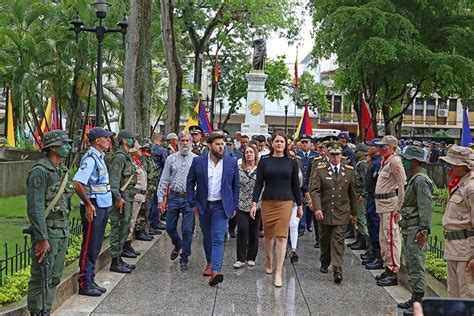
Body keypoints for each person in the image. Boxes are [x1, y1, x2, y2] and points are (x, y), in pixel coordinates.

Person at [26, 130, 73, 314]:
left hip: (61, 232)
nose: (68, 147)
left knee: (53, 277)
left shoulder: (61, 170)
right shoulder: (40, 171)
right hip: (48, 234)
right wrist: (42, 238)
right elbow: (35, 207)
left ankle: (46, 309)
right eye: (65, 144)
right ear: (53, 148)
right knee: (40, 278)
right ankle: (37, 312)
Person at [251, 130, 302, 288]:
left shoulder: (291, 161)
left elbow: (295, 185)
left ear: (286, 144)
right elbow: (259, 183)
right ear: (271, 143)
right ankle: (269, 260)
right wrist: (254, 203)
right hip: (267, 202)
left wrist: (300, 205)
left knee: (281, 237)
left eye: (282, 141)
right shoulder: (265, 160)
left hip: (285, 202)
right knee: (268, 236)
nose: (279, 144)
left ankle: (279, 272)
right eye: (277, 141)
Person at [187, 133, 240, 286]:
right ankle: (210, 262)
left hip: (221, 206)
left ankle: (216, 271)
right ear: (209, 146)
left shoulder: (231, 162)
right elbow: (190, 183)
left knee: (218, 237)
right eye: (217, 144)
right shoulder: (198, 162)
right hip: (203, 205)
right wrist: (192, 203)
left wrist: (233, 205)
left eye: (222, 144)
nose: (221, 147)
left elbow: (235, 186)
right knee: (207, 235)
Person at [73, 127, 115, 296]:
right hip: (94, 206)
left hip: (102, 205)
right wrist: (88, 204)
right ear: (97, 141)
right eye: (106, 138)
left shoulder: (99, 157)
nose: (109, 140)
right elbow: (77, 183)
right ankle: (84, 283)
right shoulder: (90, 159)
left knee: (96, 245)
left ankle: (90, 279)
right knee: (90, 246)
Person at [309, 142, 357, 284]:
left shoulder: (348, 171)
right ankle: (325, 261)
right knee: (325, 239)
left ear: (341, 155)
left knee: (338, 240)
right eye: (332, 154)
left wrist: (354, 213)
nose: (335, 157)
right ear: (328, 155)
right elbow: (315, 191)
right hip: (325, 210)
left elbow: (352, 193)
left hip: (341, 211)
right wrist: (317, 208)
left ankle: (337, 269)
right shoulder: (320, 170)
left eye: (338, 154)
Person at [397, 146, 434, 313]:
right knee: (411, 263)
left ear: (415, 161)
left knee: (417, 264)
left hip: (416, 228)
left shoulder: (420, 180)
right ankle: (415, 297)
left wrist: (423, 229)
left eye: (406, 159)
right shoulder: (415, 178)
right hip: (409, 227)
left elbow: (425, 206)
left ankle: (419, 301)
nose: (403, 162)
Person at [157, 132, 197, 271]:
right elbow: (164, 179)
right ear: (178, 142)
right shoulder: (171, 159)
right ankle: (178, 244)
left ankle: (184, 258)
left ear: (191, 142)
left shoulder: (196, 159)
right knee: (169, 227)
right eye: (182, 140)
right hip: (174, 197)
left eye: (187, 140)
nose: (185, 143)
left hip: (189, 198)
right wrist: (160, 199)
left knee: (187, 229)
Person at [439, 145, 474, 298]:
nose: (449, 168)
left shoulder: (471, 188)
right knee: (453, 297)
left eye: (453, 165)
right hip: (454, 249)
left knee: (467, 297)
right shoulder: (459, 185)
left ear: (464, 167)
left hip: (466, 250)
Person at [374, 135, 407, 286]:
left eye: (383, 146)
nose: (381, 149)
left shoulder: (395, 161)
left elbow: (401, 185)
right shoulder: (386, 161)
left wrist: (399, 207)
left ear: (392, 147)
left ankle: (393, 271)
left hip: (390, 204)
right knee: (384, 237)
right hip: (382, 203)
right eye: (380, 146)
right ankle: (388, 267)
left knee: (391, 237)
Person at [108, 129, 139, 274]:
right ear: (125, 140)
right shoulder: (119, 157)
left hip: (128, 196)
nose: (134, 141)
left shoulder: (127, 156)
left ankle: (119, 258)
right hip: (121, 197)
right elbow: (114, 180)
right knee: (118, 227)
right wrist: (117, 197)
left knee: (124, 226)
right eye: (132, 138)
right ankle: (115, 260)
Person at [233, 145, 261, 269]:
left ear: (255, 154)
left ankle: (251, 257)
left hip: (257, 204)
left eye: (251, 152)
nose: (248, 154)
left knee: (254, 232)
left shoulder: (261, 169)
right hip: (241, 204)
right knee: (242, 230)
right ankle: (240, 258)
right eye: (246, 152)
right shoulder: (238, 168)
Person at [125, 140, 151, 252]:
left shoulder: (137, 162)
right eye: (139, 149)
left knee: (134, 220)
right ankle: (126, 245)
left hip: (140, 195)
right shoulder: (132, 163)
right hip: (134, 195)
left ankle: (128, 244)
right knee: (131, 221)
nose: (141, 151)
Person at [362, 138, 383, 270]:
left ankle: (378, 256)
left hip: (375, 197)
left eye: (371, 146)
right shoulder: (373, 161)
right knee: (370, 223)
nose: (369, 148)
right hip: (370, 196)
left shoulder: (378, 162)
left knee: (375, 226)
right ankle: (373, 252)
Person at [296, 134, 320, 236]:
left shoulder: (316, 155)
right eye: (302, 142)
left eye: (306, 142)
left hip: (312, 184)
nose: (304, 144)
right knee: (301, 205)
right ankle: (301, 228)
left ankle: (309, 225)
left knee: (312, 205)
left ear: (311, 144)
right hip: (300, 185)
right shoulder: (297, 155)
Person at [349, 143, 369, 251]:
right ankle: (359, 239)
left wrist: (363, 194)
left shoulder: (363, 165)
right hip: (356, 194)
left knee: (360, 218)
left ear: (361, 152)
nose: (354, 153)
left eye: (356, 151)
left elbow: (365, 181)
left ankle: (362, 241)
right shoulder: (359, 163)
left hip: (360, 195)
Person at [287, 149, 304, 263]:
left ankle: (293, 249)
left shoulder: (299, 171)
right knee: (283, 227)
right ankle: (282, 249)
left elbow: (302, 187)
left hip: (294, 202)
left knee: (293, 224)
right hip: (282, 201)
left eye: (293, 156)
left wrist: (300, 204)